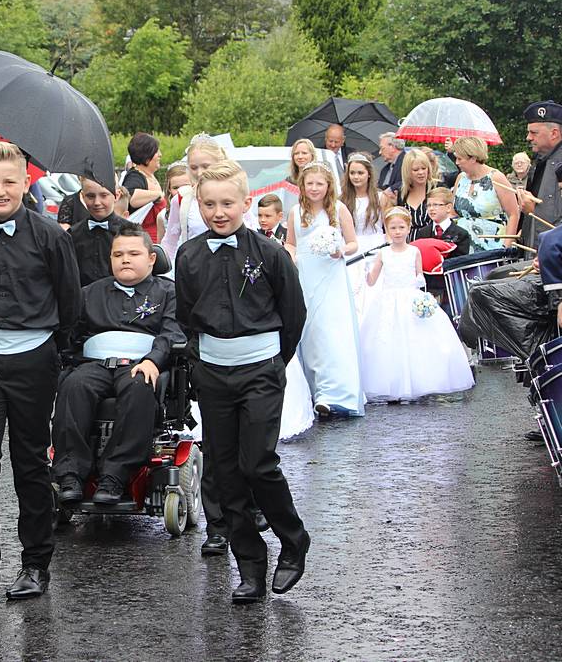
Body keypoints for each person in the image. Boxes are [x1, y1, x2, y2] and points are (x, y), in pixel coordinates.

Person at [175, 162, 310, 604]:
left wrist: (273, 365)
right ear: (199, 204)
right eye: (209, 204)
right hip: (213, 374)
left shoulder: (270, 254)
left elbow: (293, 315)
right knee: (226, 471)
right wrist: (201, 365)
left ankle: (293, 540)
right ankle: (250, 566)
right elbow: (186, 318)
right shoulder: (189, 255)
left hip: (261, 371)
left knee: (258, 464)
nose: (218, 212)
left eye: (227, 203)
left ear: (246, 203)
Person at [0, 141, 80, 600]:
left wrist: (56, 352)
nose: (0, 190)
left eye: (10, 181)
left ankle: (35, 565)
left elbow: (70, 301)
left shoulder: (50, 236)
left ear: (26, 183)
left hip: (34, 359)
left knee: (29, 463)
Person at [53, 224, 184, 504]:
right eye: (118, 254)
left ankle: (114, 476)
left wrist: (153, 360)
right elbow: (71, 335)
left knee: (139, 387)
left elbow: (173, 332)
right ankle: (70, 474)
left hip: (141, 363)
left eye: (134, 253)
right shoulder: (89, 293)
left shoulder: (167, 292)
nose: (125, 259)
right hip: (95, 362)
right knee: (73, 385)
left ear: (151, 258)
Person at [360, 207, 474, 401]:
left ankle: (420, 382)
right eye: (393, 228)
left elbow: (420, 277)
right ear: (386, 230)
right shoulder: (383, 253)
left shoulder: (414, 251)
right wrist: (365, 272)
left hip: (411, 299)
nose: (397, 232)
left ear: (408, 228)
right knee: (388, 340)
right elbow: (372, 281)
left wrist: (423, 294)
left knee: (418, 339)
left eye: (401, 227)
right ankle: (392, 384)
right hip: (388, 301)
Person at [286, 161, 364, 418]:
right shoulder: (295, 212)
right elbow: (291, 244)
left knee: (332, 331)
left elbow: (353, 243)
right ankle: (314, 390)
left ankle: (335, 394)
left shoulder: (338, 209)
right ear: (302, 185)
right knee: (310, 333)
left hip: (331, 276)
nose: (314, 188)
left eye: (320, 183)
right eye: (310, 183)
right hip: (306, 276)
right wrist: (293, 258)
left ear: (328, 185)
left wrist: (340, 249)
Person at [161, 134, 228, 260]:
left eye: (205, 166)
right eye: (193, 167)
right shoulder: (183, 199)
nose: (199, 172)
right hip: (195, 268)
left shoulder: (234, 196)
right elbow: (170, 242)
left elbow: (249, 231)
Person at [450, 136, 520, 251]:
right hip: (463, 245)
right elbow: (453, 212)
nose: (456, 163)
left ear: (473, 158)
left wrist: (506, 246)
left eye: (459, 159)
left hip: (493, 246)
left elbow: (513, 214)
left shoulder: (496, 178)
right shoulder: (460, 178)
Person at [341, 153, 387, 314]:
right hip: (352, 246)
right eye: (352, 173)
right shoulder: (343, 200)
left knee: (375, 290)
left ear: (368, 173)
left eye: (360, 173)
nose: (356, 177)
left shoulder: (380, 197)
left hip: (376, 245)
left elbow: (387, 227)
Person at [413, 187, 470, 311]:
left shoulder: (461, 234)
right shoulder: (423, 232)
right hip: (428, 288)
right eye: (428, 205)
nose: (431, 209)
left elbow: (460, 262)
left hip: (450, 287)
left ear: (448, 207)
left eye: (436, 205)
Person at [67, 176, 130, 286]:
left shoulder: (130, 232)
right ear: (82, 196)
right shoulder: (72, 234)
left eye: (104, 195)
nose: (97, 202)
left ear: (117, 195)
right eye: (90, 196)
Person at [517, 100, 562, 248]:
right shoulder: (541, 161)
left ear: (554, 133)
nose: (528, 137)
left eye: (534, 133)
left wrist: (534, 212)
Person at [121, 133, 164, 241]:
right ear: (146, 155)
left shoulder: (149, 175)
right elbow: (130, 196)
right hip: (144, 240)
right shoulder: (135, 176)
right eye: (156, 151)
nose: (160, 154)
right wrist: (158, 195)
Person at [397, 148, 436, 242]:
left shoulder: (437, 188)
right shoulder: (402, 192)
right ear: (408, 172)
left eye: (424, 168)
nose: (421, 173)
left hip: (432, 243)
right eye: (415, 170)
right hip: (408, 245)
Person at [377, 132, 407, 197]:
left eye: (382, 148)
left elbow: (409, 181)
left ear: (392, 147)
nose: (380, 152)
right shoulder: (385, 169)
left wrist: (390, 189)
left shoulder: (408, 162)